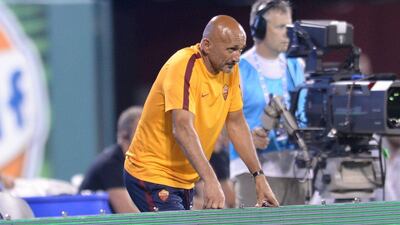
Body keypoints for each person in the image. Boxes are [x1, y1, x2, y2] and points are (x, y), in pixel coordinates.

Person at [124, 15, 279, 212]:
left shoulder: (230, 70)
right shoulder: (183, 65)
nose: (237, 57)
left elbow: (236, 124)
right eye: (231, 49)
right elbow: (182, 128)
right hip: (150, 173)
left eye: (240, 50)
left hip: (185, 180)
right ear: (207, 45)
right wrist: (211, 181)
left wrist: (259, 177)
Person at [229, 0, 308, 207]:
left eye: (289, 26)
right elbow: (219, 124)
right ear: (260, 28)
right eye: (281, 27)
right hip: (252, 172)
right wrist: (246, 139)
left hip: (295, 171)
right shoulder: (238, 69)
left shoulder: (297, 66)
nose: (287, 33)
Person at [79, 106, 142, 213]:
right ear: (125, 136)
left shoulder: (133, 163)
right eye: (142, 131)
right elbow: (126, 212)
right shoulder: (111, 164)